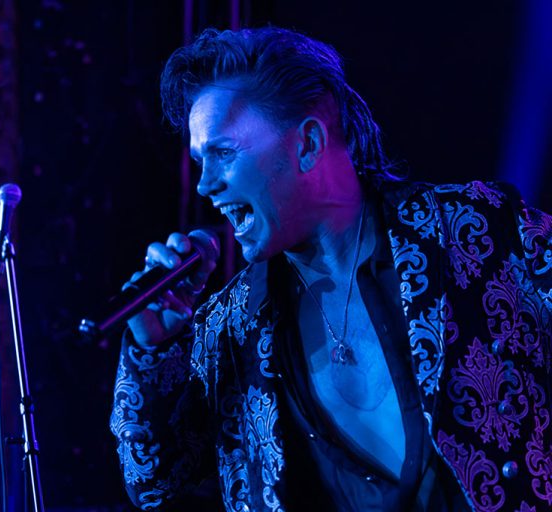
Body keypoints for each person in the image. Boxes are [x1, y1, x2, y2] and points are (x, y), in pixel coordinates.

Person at [109, 27, 552, 511]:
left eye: (224, 153)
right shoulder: (231, 329)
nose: (205, 185)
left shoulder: (472, 233)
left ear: (308, 143)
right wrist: (152, 348)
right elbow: (153, 482)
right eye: (200, 161)